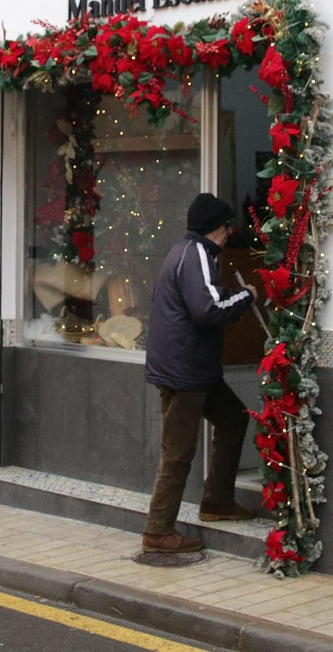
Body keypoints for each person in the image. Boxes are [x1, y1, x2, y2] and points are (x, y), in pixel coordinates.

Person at [141, 192, 259, 553]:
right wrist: (246, 296)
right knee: (178, 453)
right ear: (217, 228)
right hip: (185, 371)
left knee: (234, 419)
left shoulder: (187, 251)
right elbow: (207, 309)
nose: (229, 234)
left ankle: (217, 501)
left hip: (194, 369)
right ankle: (158, 531)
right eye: (228, 227)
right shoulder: (197, 255)